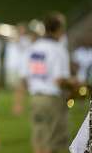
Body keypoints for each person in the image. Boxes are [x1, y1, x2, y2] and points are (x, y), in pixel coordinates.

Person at [20, 11, 77, 153]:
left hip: (35, 98)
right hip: (52, 99)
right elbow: (59, 80)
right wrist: (74, 83)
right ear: (59, 29)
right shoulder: (58, 49)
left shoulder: (34, 47)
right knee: (53, 143)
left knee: (38, 141)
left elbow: (24, 77)